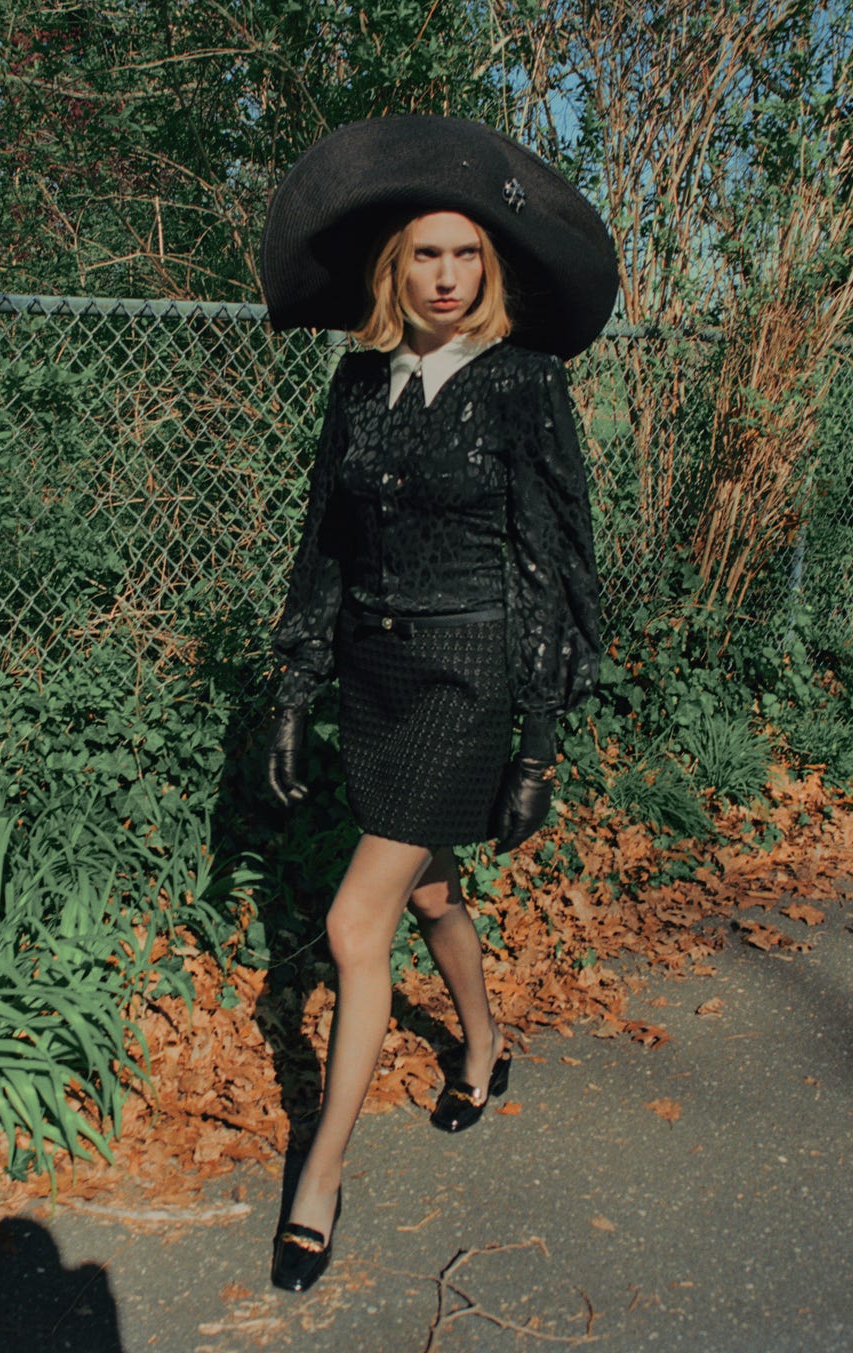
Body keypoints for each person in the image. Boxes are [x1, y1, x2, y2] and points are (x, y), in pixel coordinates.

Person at [255, 116, 617, 1295]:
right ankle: (484, 1042)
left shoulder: (523, 384)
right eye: (425, 256)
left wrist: (540, 741)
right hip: (372, 670)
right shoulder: (357, 383)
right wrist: (295, 686)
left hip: (471, 672)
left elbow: (556, 565)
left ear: (491, 270)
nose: (447, 277)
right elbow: (324, 541)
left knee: (355, 926)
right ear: (392, 271)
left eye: (466, 255)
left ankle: (320, 1175)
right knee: (422, 890)